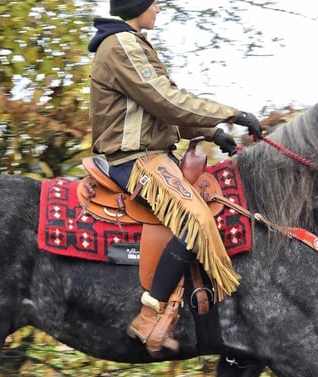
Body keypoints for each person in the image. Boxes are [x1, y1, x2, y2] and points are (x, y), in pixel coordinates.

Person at [88, 0, 262, 356]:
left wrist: (214, 133)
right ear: (138, 5)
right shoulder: (121, 45)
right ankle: (148, 315)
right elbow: (166, 100)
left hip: (155, 154)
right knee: (196, 219)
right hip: (135, 159)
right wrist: (233, 113)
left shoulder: (132, 42)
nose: (158, 10)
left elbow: (160, 110)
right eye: (154, 3)